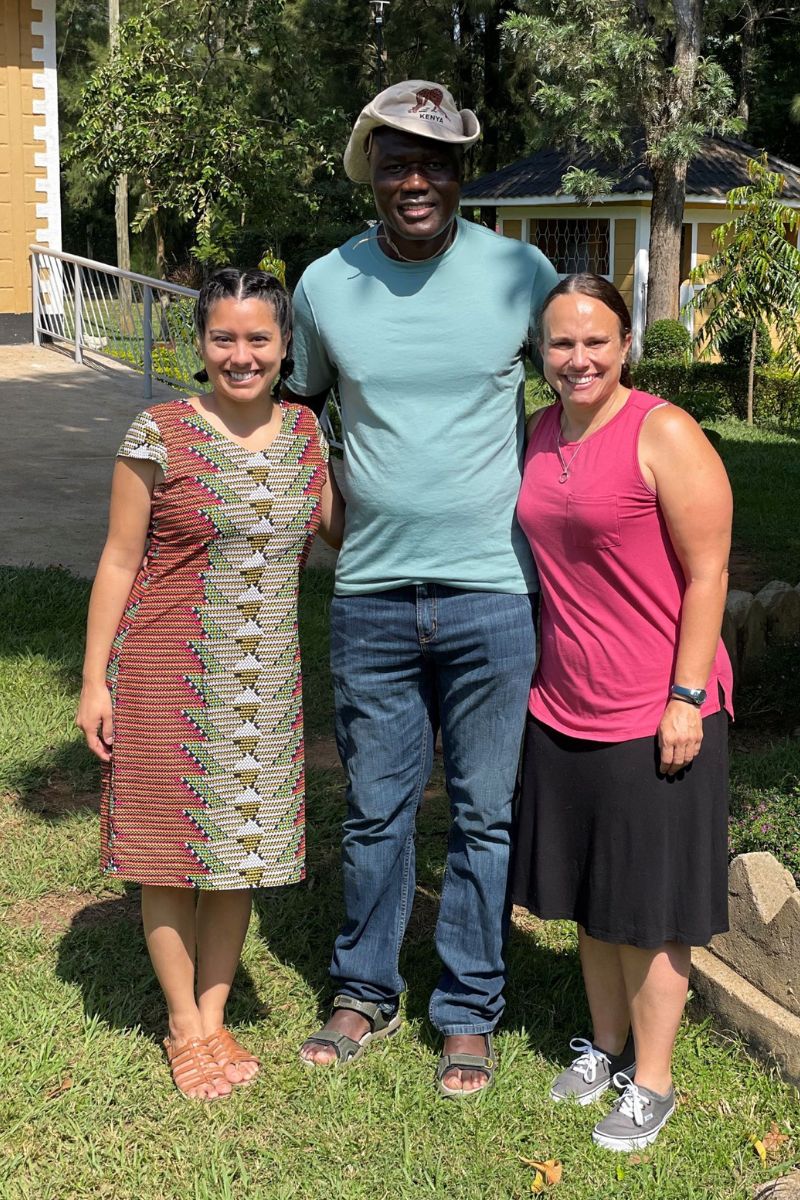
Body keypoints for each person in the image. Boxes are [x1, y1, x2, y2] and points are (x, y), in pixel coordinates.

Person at [282, 80, 558, 1096]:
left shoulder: (517, 272)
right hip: (369, 598)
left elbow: (583, 391)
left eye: (436, 161)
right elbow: (301, 412)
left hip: (494, 593)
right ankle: (362, 991)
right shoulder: (322, 284)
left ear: (458, 175)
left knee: (485, 814)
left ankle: (468, 1012)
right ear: (369, 167)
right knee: (376, 811)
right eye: (397, 159)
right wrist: (327, 518)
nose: (416, 179)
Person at [76, 268, 343, 1100]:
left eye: (258, 338)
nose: (241, 355)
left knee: (238, 856)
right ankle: (184, 1028)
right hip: (165, 673)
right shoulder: (157, 432)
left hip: (265, 682)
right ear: (200, 344)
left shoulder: (307, 433)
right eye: (223, 338)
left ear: (285, 346)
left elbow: (342, 532)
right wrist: (95, 679)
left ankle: (216, 1014)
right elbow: (120, 559)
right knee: (167, 858)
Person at [513, 273, 733, 1149]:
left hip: (656, 707)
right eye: (562, 343)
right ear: (542, 352)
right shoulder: (537, 433)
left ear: (626, 343)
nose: (578, 359)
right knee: (591, 897)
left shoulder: (663, 431)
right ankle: (604, 1047)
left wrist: (685, 697)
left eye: (595, 341)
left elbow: (711, 571)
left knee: (648, 909)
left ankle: (654, 1080)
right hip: (564, 701)